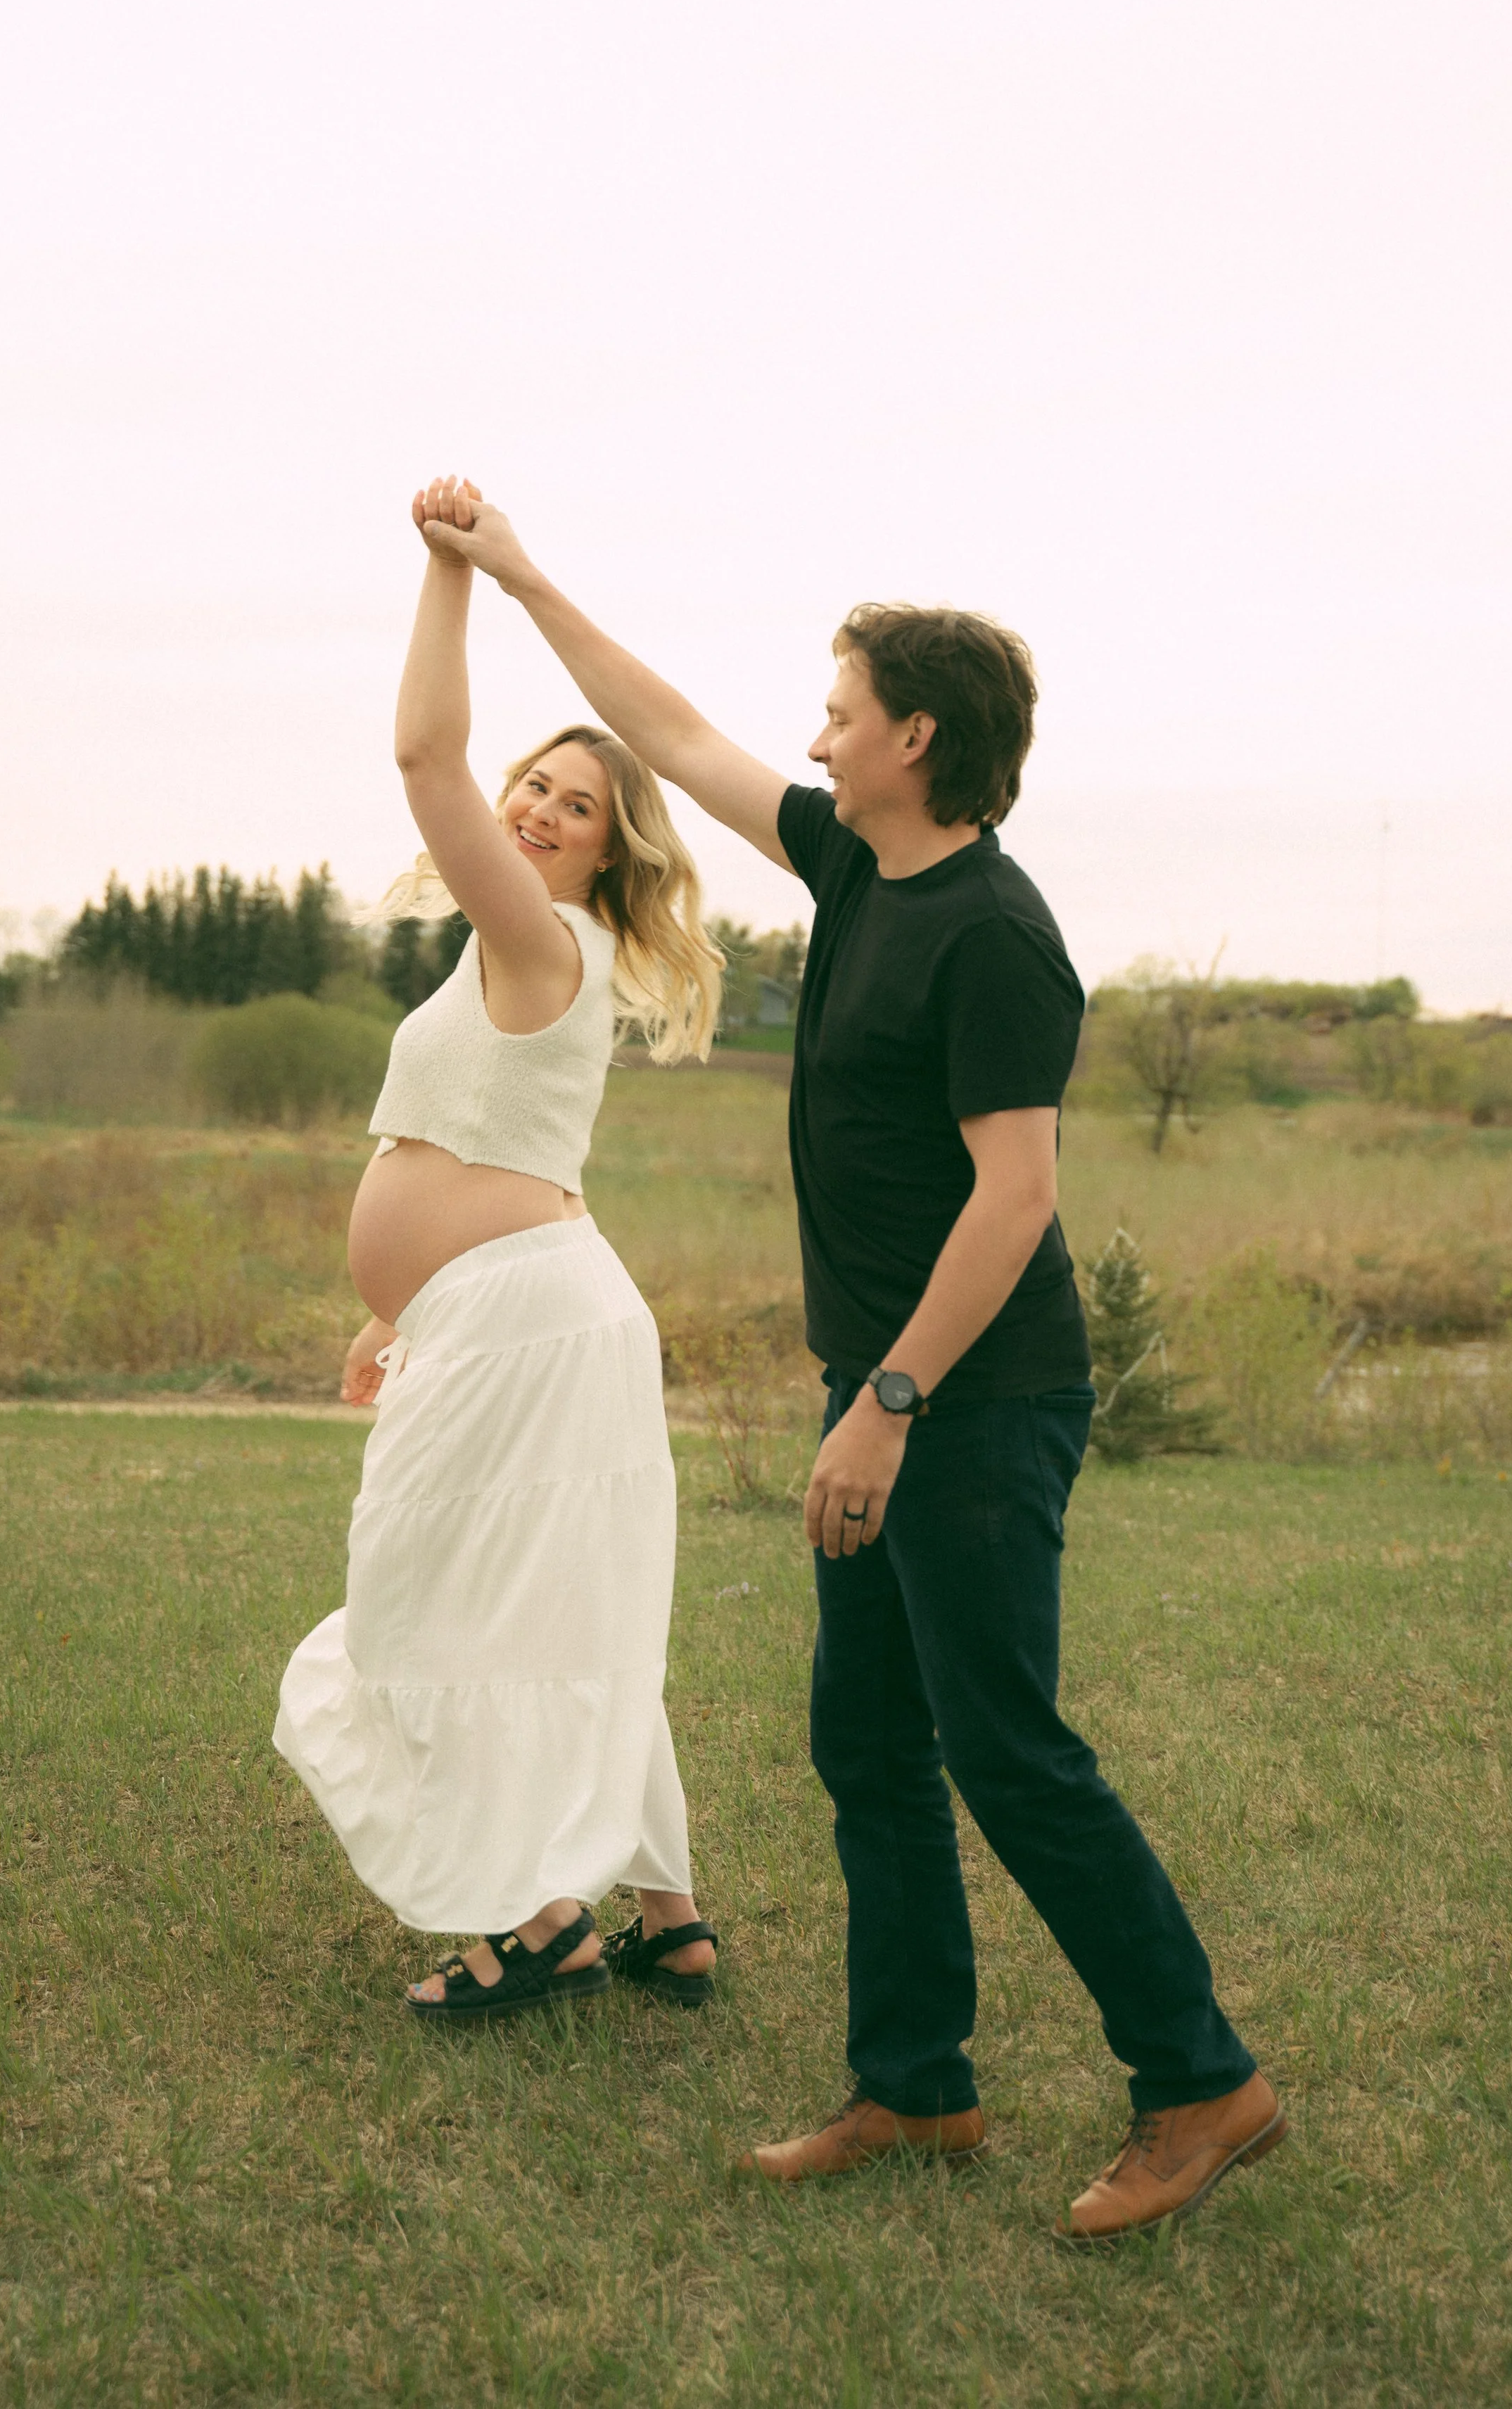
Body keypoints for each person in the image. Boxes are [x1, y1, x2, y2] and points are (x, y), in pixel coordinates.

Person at [412, 480, 1285, 2239]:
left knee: (1006, 1747)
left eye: (838, 705)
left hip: (973, 1398)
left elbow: (1017, 1194)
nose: (811, 729)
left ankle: (1201, 2081)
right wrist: (509, 576)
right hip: (875, 1391)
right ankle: (913, 2086)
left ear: (917, 734)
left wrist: (889, 1403)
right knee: (867, 1744)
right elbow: (666, 726)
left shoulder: (995, 932)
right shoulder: (847, 861)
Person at [274, 476, 721, 2021]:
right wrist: (395, 1307)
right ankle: (663, 1910)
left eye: (571, 805)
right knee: (558, 1607)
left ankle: (536, 1923)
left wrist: (448, 572)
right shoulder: (522, 953)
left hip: (523, 1324)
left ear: (608, 855)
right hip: (504, 1309)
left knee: (433, 1609)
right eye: (531, 786)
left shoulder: (544, 939)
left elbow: (420, 755)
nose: (531, 809)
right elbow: (496, 1149)